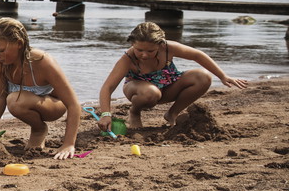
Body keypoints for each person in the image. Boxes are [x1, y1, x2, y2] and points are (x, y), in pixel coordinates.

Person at [0, 17, 81, 159]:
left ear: (19, 43)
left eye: (1, 50)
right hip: (17, 94)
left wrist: (68, 143)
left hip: (51, 104)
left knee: (15, 100)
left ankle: (38, 129)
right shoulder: (0, 61)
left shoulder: (42, 61)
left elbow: (73, 104)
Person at [96, 21, 248, 132]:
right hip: (139, 91)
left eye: (150, 51)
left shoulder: (168, 48)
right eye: (139, 49)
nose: (144, 54)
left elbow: (198, 55)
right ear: (133, 44)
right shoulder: (127, 59)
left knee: (203, 77)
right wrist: (106, 114)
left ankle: (172, 113)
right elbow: (107, 88)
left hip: (168, 86)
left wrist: (223, 76)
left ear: (160, 45)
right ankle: (134, 112)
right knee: (151, 92)